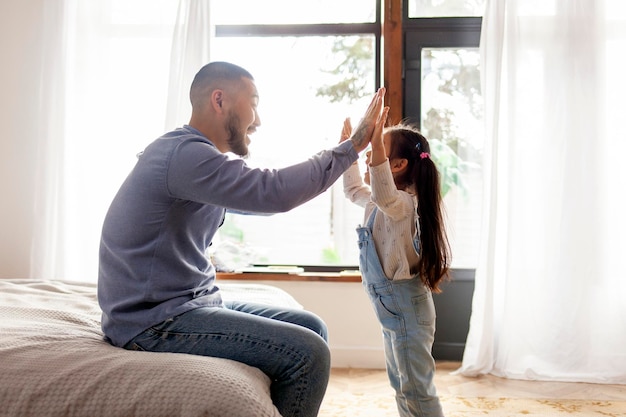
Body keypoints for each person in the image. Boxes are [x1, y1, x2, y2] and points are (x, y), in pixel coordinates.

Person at [98, 61, 386, 417]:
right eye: (254, 102)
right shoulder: (185, 155)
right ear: (219, 101)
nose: (258, 120)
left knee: (312, 326)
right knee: (308, 352)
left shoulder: (192, 154)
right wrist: (352, 146)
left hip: (189, 302)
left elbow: (262, 197)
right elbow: (273, 192)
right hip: (153, 321)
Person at [340, 112, 451, 417]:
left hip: (407, 309)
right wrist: (350, 149)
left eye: (376, 153)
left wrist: (375, 142)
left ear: (399, 166)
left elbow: (384, 193)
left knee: (417, 388)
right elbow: (352, 191)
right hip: (392, 311)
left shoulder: (403, 203)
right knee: (401, 384)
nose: (368, 160)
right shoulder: (378, 203)